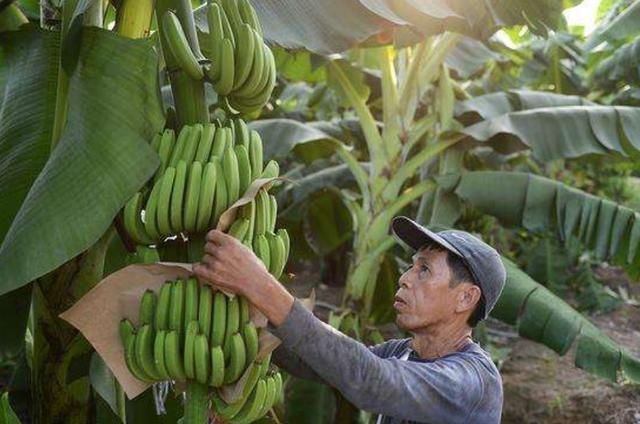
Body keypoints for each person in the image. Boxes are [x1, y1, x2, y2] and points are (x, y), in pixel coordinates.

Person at [193, 215, 506, 423]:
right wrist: (245, 314)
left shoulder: (472, 381)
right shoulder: (403, 353)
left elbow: (370, 379)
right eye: (411, 266)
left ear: (465, 298)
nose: (405, 278)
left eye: (424, 269)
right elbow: (322, 363)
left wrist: (262, 286)